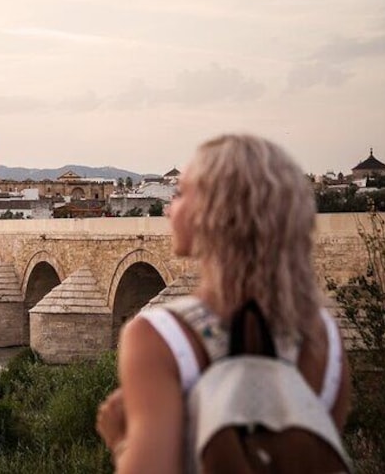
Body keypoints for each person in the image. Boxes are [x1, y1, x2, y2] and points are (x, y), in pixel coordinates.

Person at [96, 134, 351, 472]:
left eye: (181, 193)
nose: (169, 208)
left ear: (213, 213)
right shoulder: (328, 340)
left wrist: (121, 441)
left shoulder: (158, 337)